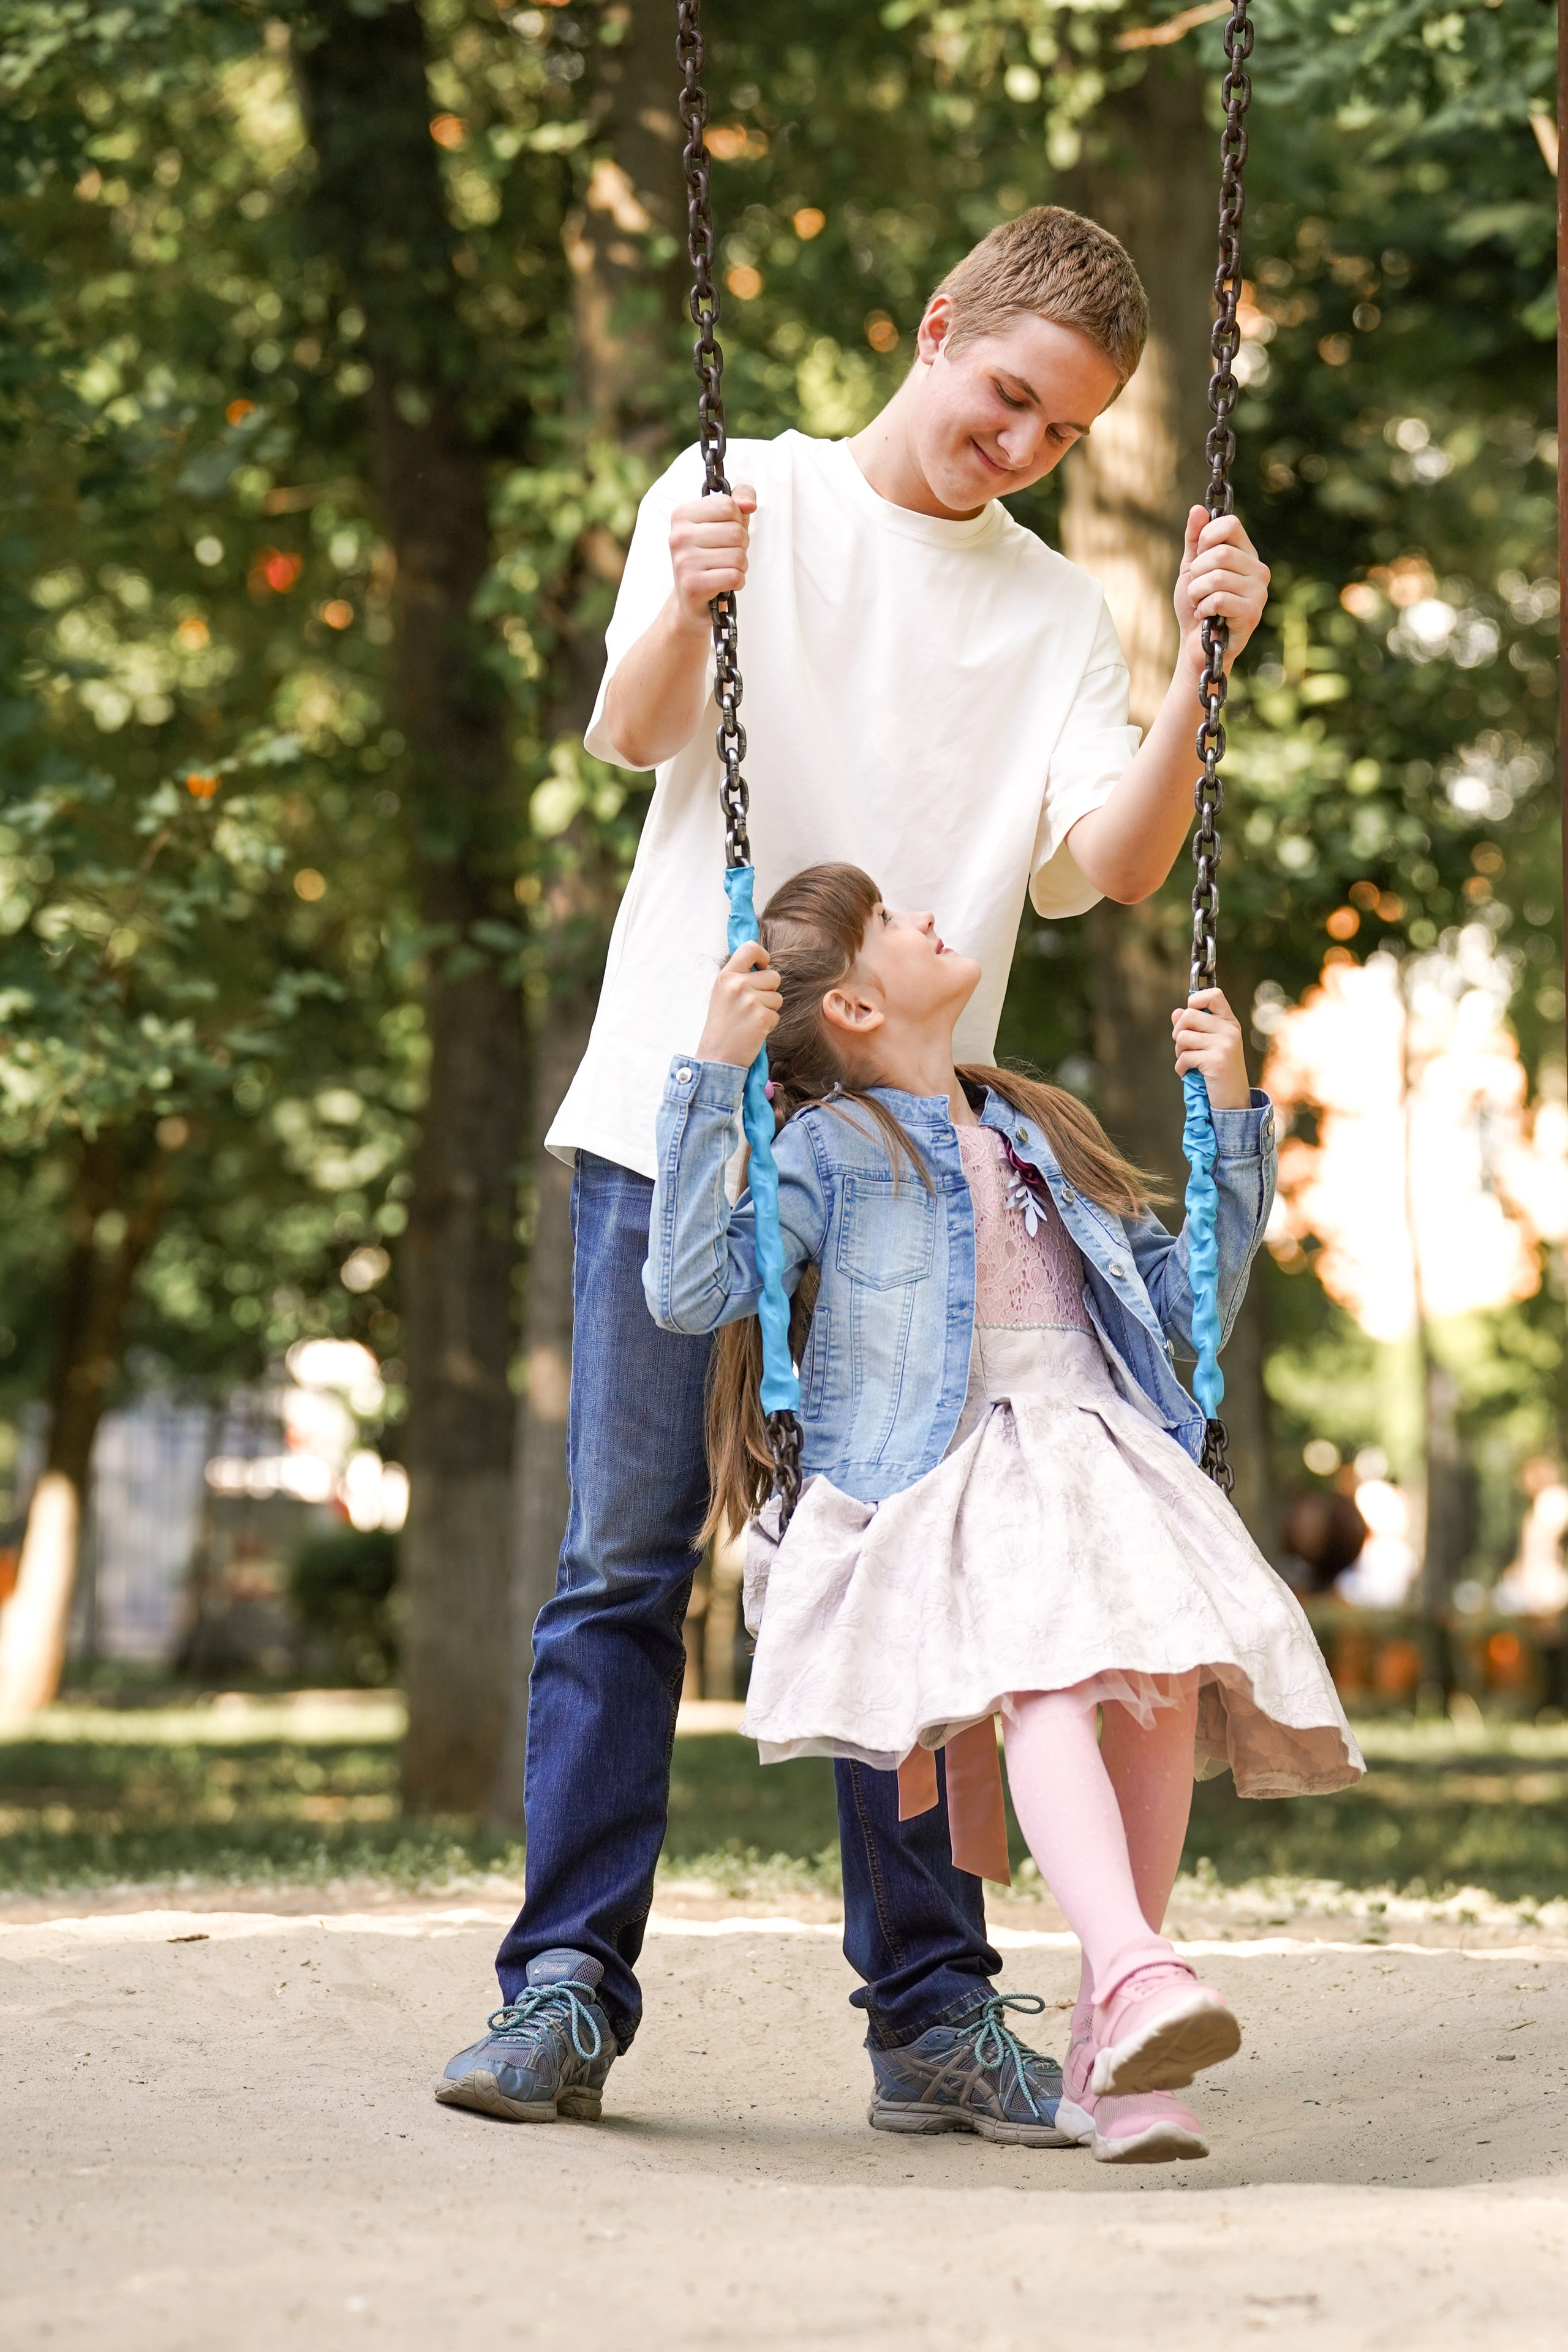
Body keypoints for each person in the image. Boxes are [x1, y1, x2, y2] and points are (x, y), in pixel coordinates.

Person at [437, 206, 1271, 2142]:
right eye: (1005, 403)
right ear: (932, 330)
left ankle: (931, 2015)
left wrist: (1198, 678)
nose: (1021, 451)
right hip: (692, 1102)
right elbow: (630, 734)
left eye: (1061, 437)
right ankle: (566, 1983)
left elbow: (1116, 861)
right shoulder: (746, 492)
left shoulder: (1059, 610)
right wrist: (690, 602)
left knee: (924, 1568)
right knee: (624, 1565)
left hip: (906, 1157)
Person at [646, 864, 1363, 2162]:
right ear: (856, 1006)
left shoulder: (1037, 1124)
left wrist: (1229, 1109)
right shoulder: (824, 1149)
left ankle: (1115, 2042)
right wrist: (711, 1074)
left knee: (1152, 1682)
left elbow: (1185, 1305)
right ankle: (1140, 1970)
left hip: (1100, 1445)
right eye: (892, 925)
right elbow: (691, 1287)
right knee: (1044, 1675)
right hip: (952, 1464)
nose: (929, 920)